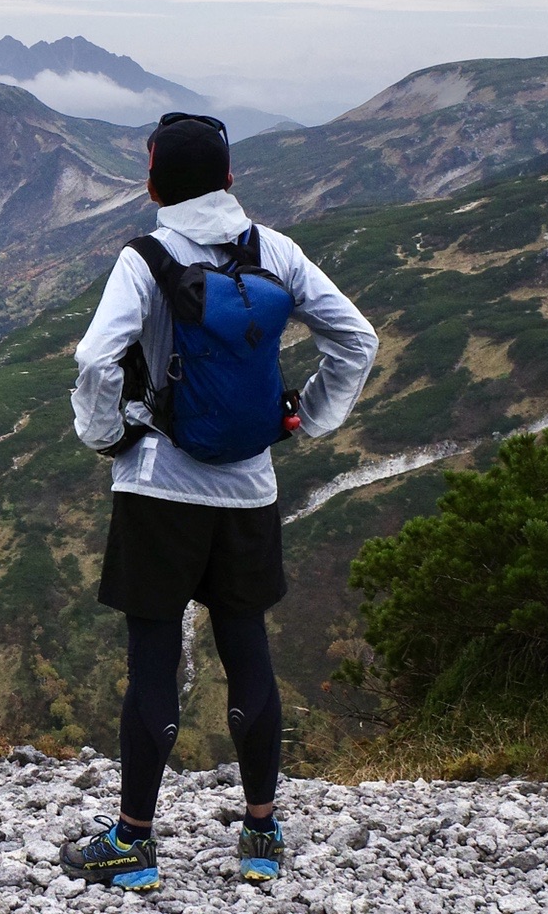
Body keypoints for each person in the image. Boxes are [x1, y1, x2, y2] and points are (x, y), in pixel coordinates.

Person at [62, 112, 378, 891]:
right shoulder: (277, 252)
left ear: (153, 183)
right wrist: (307, 413)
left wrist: (107, 438)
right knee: (248, 654)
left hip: (159, 489)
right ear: (232, 179)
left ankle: (134, 843)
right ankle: (262, 836)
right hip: (249, 489)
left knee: (152, 664)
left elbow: (96, 357)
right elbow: (356, 339)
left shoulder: (146, 258)